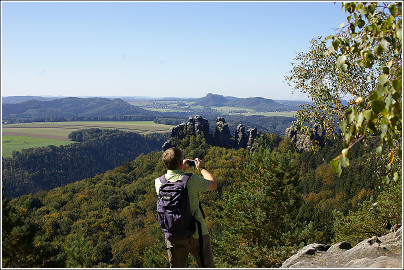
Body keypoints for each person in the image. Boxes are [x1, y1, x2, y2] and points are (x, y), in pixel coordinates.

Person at [155, 147, 217, 268]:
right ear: (180, 162)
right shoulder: (191, 180)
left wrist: (180, 168)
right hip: (196, 233)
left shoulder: (159, 182)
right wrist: (202, 168)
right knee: (207, 266)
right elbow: (213, 184)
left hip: (173, 233)